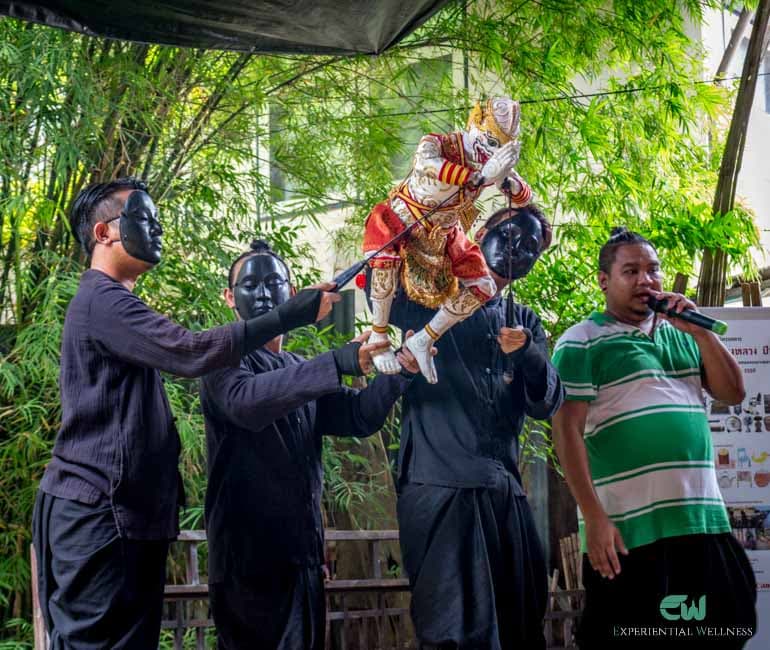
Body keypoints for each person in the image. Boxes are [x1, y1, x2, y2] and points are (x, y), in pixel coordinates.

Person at [32, 178, 338, 649]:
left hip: (122, 516)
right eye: (144, 220)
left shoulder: (116, 303)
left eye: (157, 222)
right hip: (98, 512)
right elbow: (191, 351)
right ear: (104, 233)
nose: (156, 230)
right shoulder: (102, 300)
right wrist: (288, 316)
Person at [200, 239, 428, 650]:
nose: (265, 291)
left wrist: (399, 370)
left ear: (292, 293)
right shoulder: (222, 357)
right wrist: (336, 363)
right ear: (229, 297)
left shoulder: (294, 368)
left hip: (302, 557)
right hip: (247, 562)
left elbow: (358, 416)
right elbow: (249, 402)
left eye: (275, 282)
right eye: (251, 285)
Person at [551, 227, 756, 648]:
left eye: (652, 269)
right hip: (630, 531)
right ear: (604, 281)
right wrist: (593, 516)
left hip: (700, 523)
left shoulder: (684, 334)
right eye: (631, 270)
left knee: (725, 627)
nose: (646, 279)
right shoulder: (581, 341)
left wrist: (701, 332)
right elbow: (566, 431)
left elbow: (733, 392)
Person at [370, 204, 564, 649]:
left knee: (520, 616)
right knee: (452, 629)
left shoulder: (525, 321)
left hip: (504, 491)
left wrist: (529, 353)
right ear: (481, 233)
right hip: (440, 489)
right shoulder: (431, 296)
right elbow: (380, 282)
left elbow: (548, 401)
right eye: (512, 234)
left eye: (532, 247)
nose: (520, 248)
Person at [363, 97, 534, 383]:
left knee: (484, 285)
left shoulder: (488, 162)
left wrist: (507, 176)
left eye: (502, 146)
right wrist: (481, 176)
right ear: (475, 124)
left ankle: (425, 339)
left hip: (444, 232)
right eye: (492, 141)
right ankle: (379, 337)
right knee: (384, 267)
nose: (492, 150)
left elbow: (524, 198)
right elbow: (429, 166)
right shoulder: (437, 143)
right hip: (404, 220)